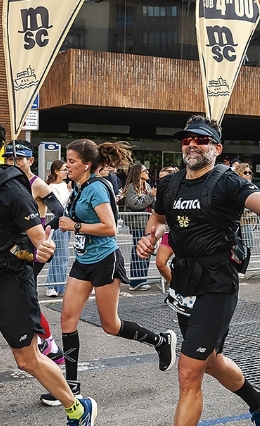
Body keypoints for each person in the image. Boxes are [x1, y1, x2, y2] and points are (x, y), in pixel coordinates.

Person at [135, 115, 260, 426]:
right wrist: (148, 238)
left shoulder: (228, 182)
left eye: (201, 139)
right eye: (186, 139)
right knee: (211, 361)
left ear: (216, 148)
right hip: (184, 285)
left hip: (217, 286)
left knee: (189, 371)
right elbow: (158, 219)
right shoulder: (169, 183)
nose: (192, 144)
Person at [0, 116, 96, 426]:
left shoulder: (12, 190)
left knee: (27, 359)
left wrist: (44, 248)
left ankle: (77, 408)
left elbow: (38, 240)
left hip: (11, 283)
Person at [41, 137, 176, 408]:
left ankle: (160, 341)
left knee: (110, 325)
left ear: (87, 165)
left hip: (105, 259)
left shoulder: (97, 189)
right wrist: (51, 225)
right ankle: (71, 387)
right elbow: (70, 215)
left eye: (72, 161)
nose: (67, 165)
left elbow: (110, 228)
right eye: (66, 160)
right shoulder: (78, 186)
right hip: (83, 260)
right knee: (67, 320)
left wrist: (75, 227)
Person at [1, 141, 66, 364]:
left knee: (24, 294)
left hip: (32, 247)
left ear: (30, 161)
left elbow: (60, 212)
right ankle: (41, 339)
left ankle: (48, 342)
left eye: (18, 159)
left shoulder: (37, 184)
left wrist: (47, 230)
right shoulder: (6, 181)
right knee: (18, 295)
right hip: (10, 245)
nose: (13, 163)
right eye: (9, 159)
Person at [122, 163, 156, 290]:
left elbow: (151, 203)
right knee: (139, 251)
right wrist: (151, 196)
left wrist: (153, 197)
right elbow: (135, 203)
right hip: (138, 224)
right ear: (138, 173)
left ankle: (142, 279)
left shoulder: (147, 186)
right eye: (144, 171)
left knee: (146, 251)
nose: (147, 172)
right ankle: (136, 281)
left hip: (147, 223)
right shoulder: (132, 187)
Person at [45, 160, 71, 297]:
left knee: (64, 256)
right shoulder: (51, 187)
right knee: (59, 255)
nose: (66, 172)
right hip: (58, 223)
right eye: (63, 170)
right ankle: (51, 285)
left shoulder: (65, 186)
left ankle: (59, 285)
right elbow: (57, 206)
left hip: (66, 222)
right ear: (56, 171)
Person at [234, 163, 257, 251]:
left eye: (249, 173)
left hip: (246, 221)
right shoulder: (236, 186)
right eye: (245, 172)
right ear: (239, 173)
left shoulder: (251, 186)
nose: (248, 175)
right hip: (235, 223)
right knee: (237, 249)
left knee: (248, 246)